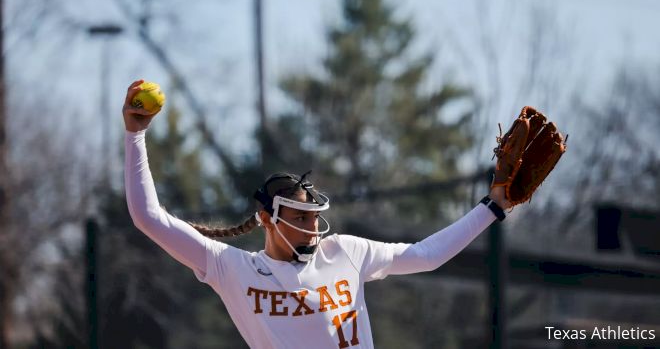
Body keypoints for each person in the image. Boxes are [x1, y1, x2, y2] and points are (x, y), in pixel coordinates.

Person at [123, 79, 512, 348]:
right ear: (266, 219)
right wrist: (135, 136)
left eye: (312, 217)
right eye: (300, 218)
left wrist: (493, 207)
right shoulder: (232, 268)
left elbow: (427, 256)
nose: (313, 228)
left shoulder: (344, 252)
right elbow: (147, 216)